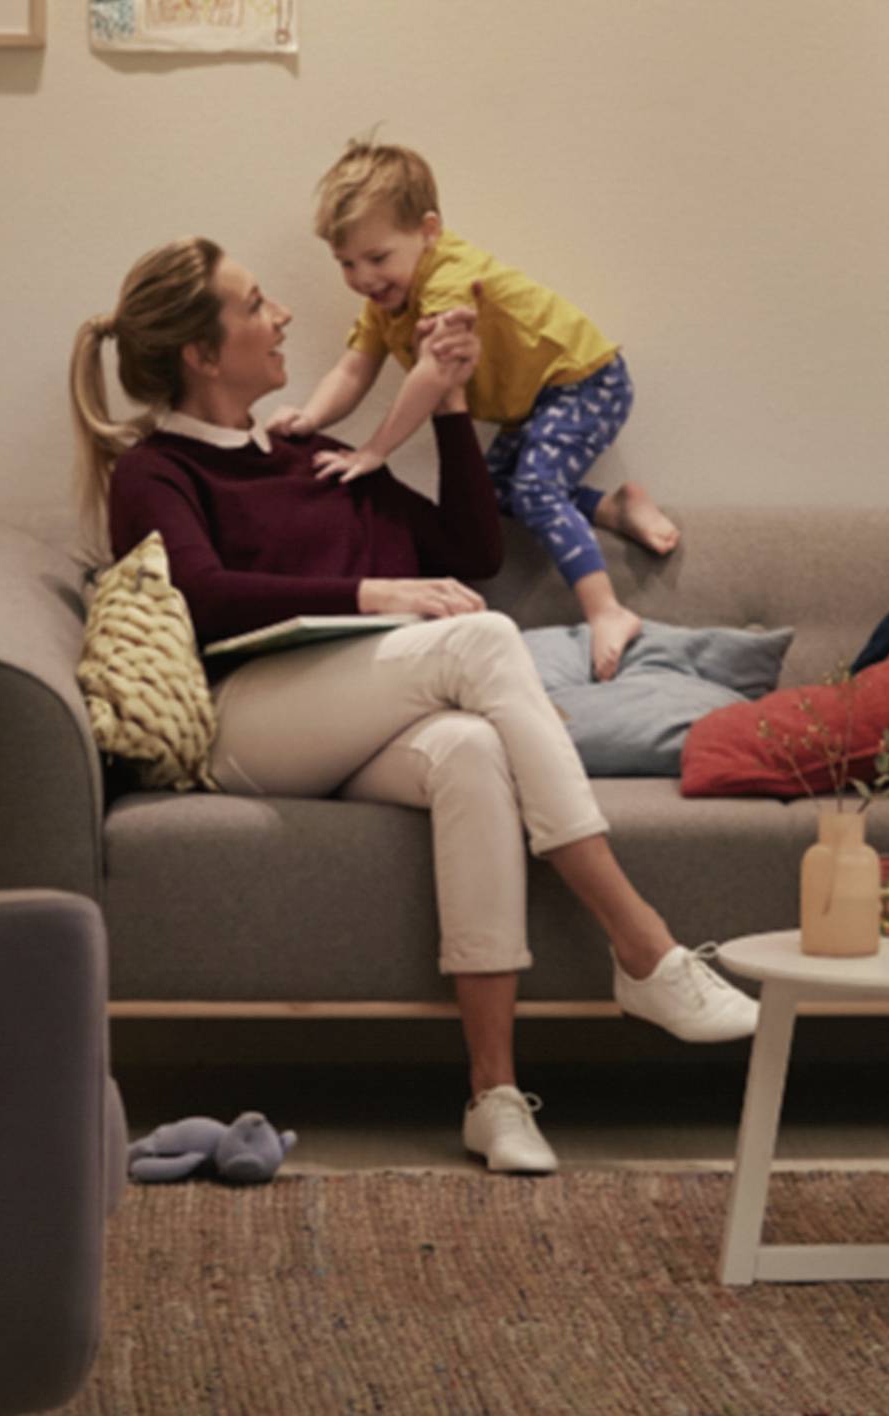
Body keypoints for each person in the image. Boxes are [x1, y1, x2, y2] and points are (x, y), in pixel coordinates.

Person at [70, 236, 757, 1176]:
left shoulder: (306, 449)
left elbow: (465, 546)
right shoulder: (156, 471)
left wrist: (451, 401)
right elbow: (203, 592)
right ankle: (645, 949)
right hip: (252, 721)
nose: (283, 318)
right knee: (482, 640)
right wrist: (371, 597)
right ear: (200, 350)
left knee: (472, 752)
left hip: (361, 714)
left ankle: (495, 1096)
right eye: (257, 303)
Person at [266, 138, 680, 682]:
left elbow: (433, 373)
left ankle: (606, 609)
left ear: (429, 231)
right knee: (491, 496)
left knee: (534, 488)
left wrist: (375, 449)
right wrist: (312, 419)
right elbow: (353, 369)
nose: (363, 277)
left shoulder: (449, 275)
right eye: (346, 263)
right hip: (535, 402)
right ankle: (611, 508)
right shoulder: (382, 304)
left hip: (583, 380)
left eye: (377, 258)